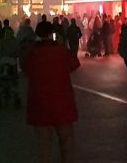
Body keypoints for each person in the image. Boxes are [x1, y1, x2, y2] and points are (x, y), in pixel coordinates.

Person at [21, 20, 80, 163]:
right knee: (66, 145)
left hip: (39, 105)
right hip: (62, 104)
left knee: (44, 148)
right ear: (52, 34)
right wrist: (63, 45)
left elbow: (25, 68)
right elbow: (74, 64)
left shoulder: (32, 53)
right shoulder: (60, 51)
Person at [0, 19, 22, 108]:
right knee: (14, 81)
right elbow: (18, 52)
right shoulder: (15, 41)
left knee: (1, 82)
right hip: (12, 63)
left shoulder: (2, 42)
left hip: (2, 62)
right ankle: (16, 97)